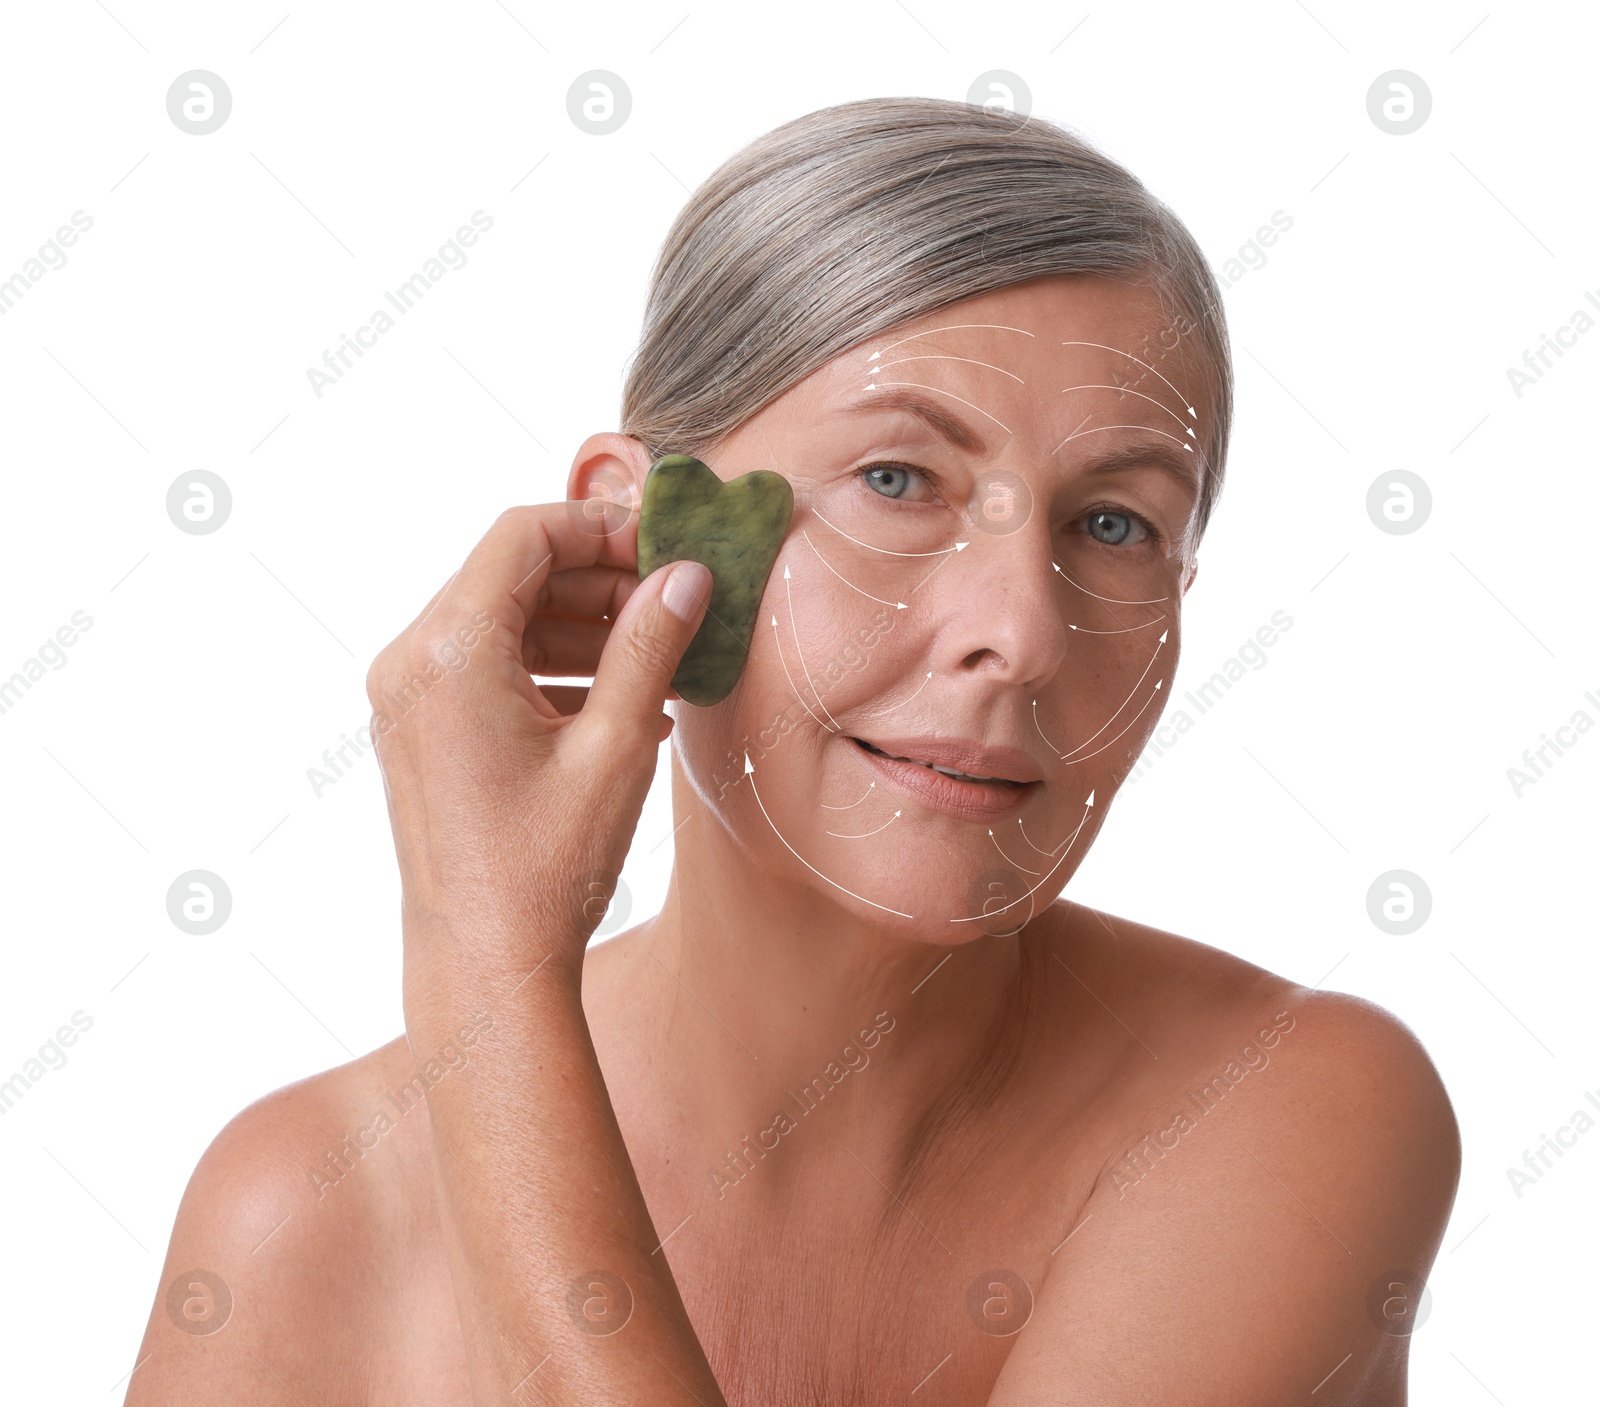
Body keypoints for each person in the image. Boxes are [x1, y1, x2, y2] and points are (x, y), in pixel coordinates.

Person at [126, 96, 1459, 1406]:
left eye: (1116, 526)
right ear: (643, 537)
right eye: (897, 480)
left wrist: (484, 983)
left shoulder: (1284, 1105)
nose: (1022, 632)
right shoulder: (298, 1224)